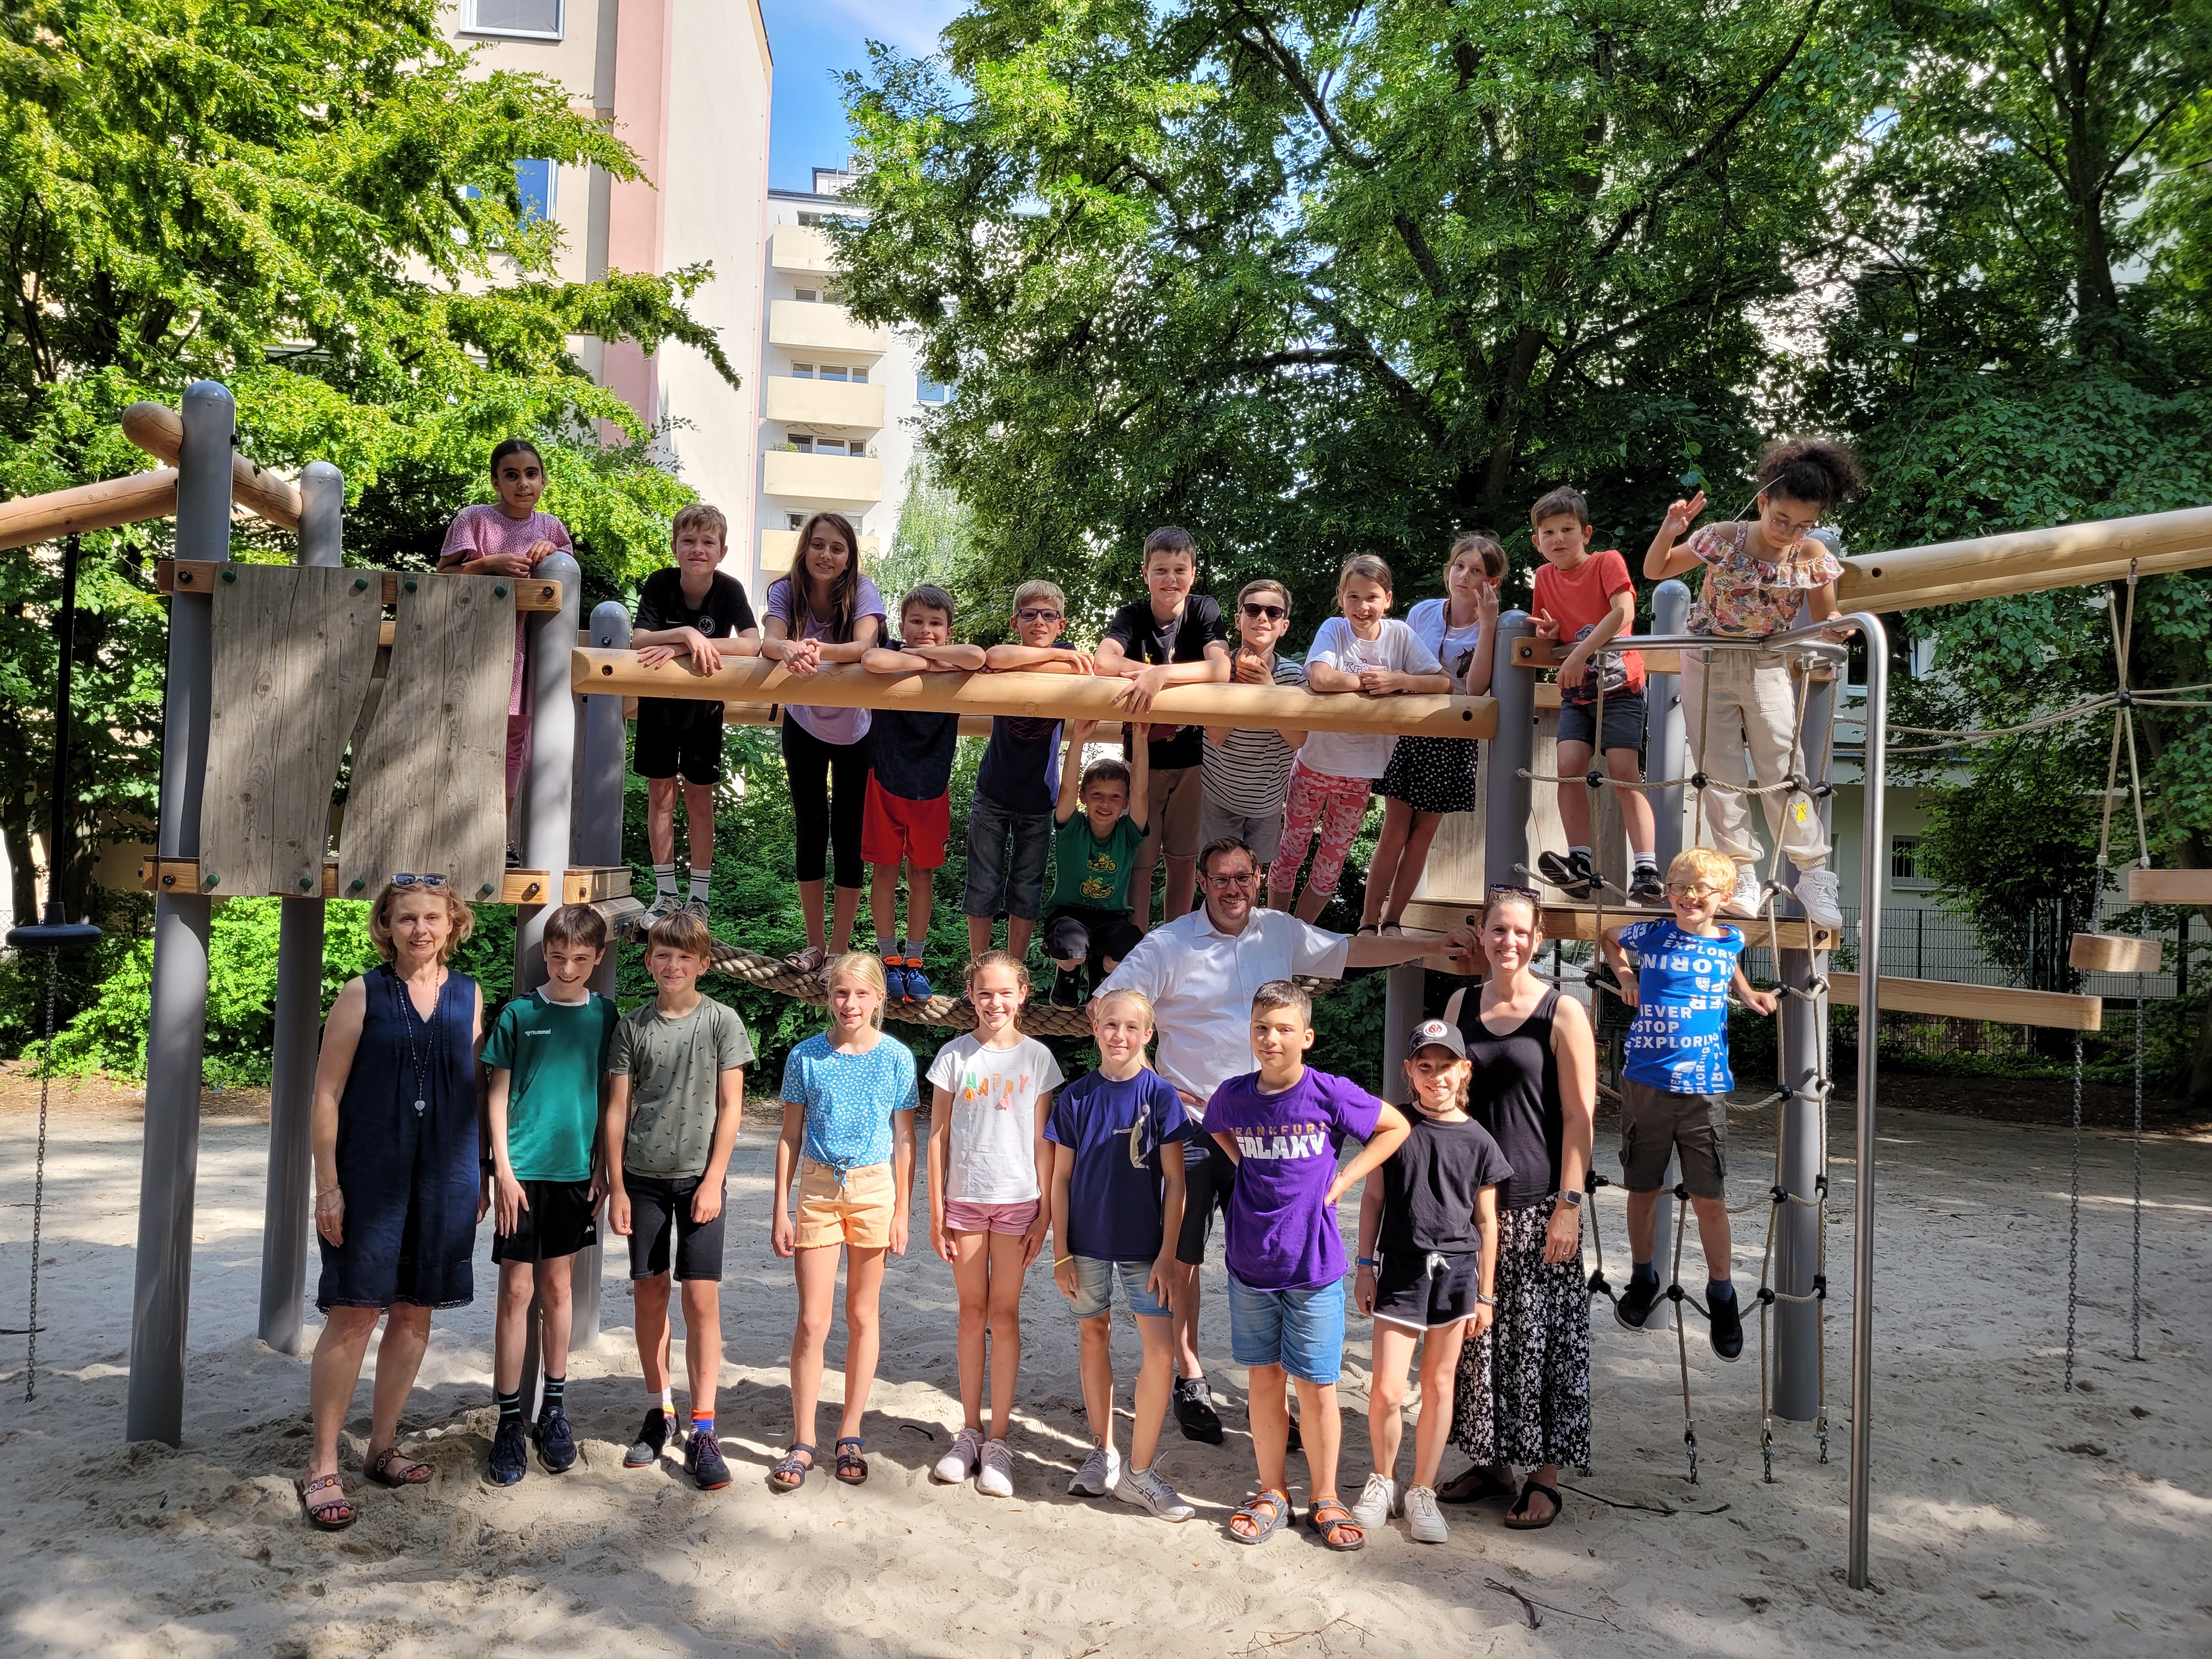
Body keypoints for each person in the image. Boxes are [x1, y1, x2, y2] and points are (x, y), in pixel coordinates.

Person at [1097, 836, 1432, 1446]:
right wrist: (1148, 1084)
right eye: (1220, 878)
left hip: (1268, 1127)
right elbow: (1109, 1005)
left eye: (1242, 877)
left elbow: (1354, 949)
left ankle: (1285, 1392)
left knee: (1277, 1250)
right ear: (1201, 882)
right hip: (1195, 1123)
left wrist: (1435, 946)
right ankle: (1190, 1375)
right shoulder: (1168, 944)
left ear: (1259, 877)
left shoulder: (1280, 930)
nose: (1232, 889)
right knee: (1184, 1256)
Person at [299, 876, 486, 1531]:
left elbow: (471, 1091)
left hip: (445, 1173)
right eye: (406, 919)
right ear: (387, 926)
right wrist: (329, 1183)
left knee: (414, 1315)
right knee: (354, 1314)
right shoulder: (362, 993)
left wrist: (482, 1172)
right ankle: (323, 1463)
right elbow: (325, 1094)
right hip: (369, 1172)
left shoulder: (469, 994)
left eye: (432, 917)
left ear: (453, 924)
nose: (420, 930)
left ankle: (382, 1446)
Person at [1206, 981, 1410, 1550]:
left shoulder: (1327, 1093)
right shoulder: (1233, 1095)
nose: (1271, 1039)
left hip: (1314, 1265)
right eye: (1261, 1029)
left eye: (1283, 1029)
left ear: (1307, 1036)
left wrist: (1345, 1178)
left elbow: (1395, 1127)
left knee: (1318, 1387)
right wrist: (1243, 1162)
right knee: (1264, 1382)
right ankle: (1273, 1492)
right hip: (1250, 1263)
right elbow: (1216, 1127)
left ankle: (1324, 1496)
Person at [1641, 437, 1863, 928]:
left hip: (1766, 663)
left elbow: (1826, 617)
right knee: (1720, 775)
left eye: (1803, 524)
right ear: (1763, 500)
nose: (1789, 533)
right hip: (1708, 660)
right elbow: (1655, 570)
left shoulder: (1810, 553)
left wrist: (1837, 626)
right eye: (1781, 519)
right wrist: (1672, 528)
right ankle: (1741, 873)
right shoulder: (1725, 537)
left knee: (1785, 772)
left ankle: (1813, 872)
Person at [1435, 887, 1598, 1531]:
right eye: (1497, 929)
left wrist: (1570, 1204)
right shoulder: (1459, 1004)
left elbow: (1582, 1117)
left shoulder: (1563, 1012)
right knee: (1481, 1345)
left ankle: (1544, 1478)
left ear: (1538, 937)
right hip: (1474, 1205)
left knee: (1541, 1343)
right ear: (1481, 933)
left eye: (1520, 931)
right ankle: (1494, 1463)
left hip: (1539, 1204)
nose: (1508, 941)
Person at [1599, 847, 1779, 1359]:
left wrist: (1746, 994)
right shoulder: (1653, 934)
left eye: (1702, 889)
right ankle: (1642, 1278)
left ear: (1723, 898)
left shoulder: (1731, 937)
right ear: (1668, 892)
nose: (1690, 896)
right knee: (1642, 1187)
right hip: (1647, 1082)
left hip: (1704, 1087)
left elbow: (1730, 965)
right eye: (1680, 887)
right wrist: (1625, 975)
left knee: (1708, 1197)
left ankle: (1721, 1293)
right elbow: (1609, 935)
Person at [604, 911, 753, 1491]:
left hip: (699, 1179)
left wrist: (716, 1179)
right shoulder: (632, 1026)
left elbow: (732, 1108)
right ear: (649, 960)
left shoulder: (722, 1022)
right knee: (649, 1292)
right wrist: (616, 1185)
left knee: (702, 1301)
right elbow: (617, 1108)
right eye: (663, 955)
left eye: (685, 957)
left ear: (703, 964)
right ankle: (658, 1409)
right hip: (642, 1175)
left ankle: (704, 1425)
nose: (673, 965)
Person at [1349, 1018, 1506, 1544]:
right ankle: (1383, 1481)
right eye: (1425, 1066)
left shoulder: (1481, 1140)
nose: (1435, 1076)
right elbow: (1373, 1199)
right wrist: (1364, 1264)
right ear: (1409, 1071)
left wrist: (1486, 1293)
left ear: (1464, 1070)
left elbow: (1487, 1222)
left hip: (1459, 1275)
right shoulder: (1392, 1127)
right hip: (1399, 1268)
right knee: (1388, 1390)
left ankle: (1422, 1491)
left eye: (1445, 1066)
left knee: (1440, 1385)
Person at [769, 954, 919, 1492]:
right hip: (817, 1188)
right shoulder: (806, 1057)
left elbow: (905, 1138)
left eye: (860, 994)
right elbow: (789, 1135)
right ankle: (804, 1438)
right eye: (840, 994)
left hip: (875, 1188)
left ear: (879, 998)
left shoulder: (898, 1058)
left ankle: (850, 1432)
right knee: (812, 1321)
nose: (849, 1004)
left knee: (862, 1313)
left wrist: (903, 1209)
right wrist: (780, 1207)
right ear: (827, 997)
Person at [482, 902, 619, 1486]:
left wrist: (605, 1168)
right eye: (558, 956)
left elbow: (616, 1097)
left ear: (598, 959)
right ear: (545, 952)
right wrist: (502, 1171)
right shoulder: (518, 1013)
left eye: (580, 959)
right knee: (516, 1291)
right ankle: (509, 1418)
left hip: (574, 1173)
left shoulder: (607, 1018)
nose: (568, 968)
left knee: (559, 1288)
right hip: (522, 1172)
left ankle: (554, 1409)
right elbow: (495, 1094)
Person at [1045, 988, 1194, 1519]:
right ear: (1095, 1029)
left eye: (1132, 1028)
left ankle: (1140, 1471)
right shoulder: (1077, 1097)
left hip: (1144, 1247)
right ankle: (1103, 1451)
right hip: (1085, 1244)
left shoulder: (1160, 1097)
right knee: (1093, 1335)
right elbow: (1060, 1179)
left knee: (1159, 1350)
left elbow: (1176, 1182)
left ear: (1147, 1035)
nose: (1120, 1036)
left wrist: (1169, 1253)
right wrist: (1061, 1251)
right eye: (1111, 1025)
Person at [924, 953, 1063, 1496]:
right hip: (964, 1202)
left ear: (1024, 994)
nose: (995, 1002)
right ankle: (969, 1433)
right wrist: (935, 1211)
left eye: (1005, 993)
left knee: (1004, 1315)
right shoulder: (954, 1057)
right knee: (971, 1312)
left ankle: (999, 1441)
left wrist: (1046, 1213)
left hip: (1017, 1204)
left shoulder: (1037, 1060)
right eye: (985, 993)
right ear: (972, 996)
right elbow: (937, 1136)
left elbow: (1043, 1142)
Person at [1272, 555, 1451, 923]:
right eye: (1353, 597)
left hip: (1361, 773)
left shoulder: (1399, 635)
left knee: (1332, 860)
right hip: (1315, 764)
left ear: (1387, 599)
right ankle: (1274, 925)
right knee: (1292, 848)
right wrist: (1371, 684)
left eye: (1371, 597)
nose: (1362, 606)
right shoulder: (1335, 630)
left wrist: (1400, 681)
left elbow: (1442, 682)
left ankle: (1299, 932)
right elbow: (1321, 677)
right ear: (1341, 598)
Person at [762, 511, 886, 976]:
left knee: (850, 832)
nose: (826, 555)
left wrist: (812, 649)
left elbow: (863, 648)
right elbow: (769, 642)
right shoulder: (784, 589)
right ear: (805, 548)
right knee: (811, 826)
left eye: (837, 548)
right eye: (818, 545)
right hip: (803, 719)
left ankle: (838, 949)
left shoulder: (863, 590)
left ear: (849, 555)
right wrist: (788, 648)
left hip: (857, 726)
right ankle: (814, 945)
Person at [1528, 488, 1663, 907]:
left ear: (1585, 533)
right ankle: (1580, 862)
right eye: (1548, 532)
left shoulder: (1608, 562)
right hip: (1579, 691)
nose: (1558, 539)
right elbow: (1549, 632)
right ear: (1537, 541)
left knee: (1623, 769)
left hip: (1620, 685)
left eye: (1567, 529)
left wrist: (1580, 652)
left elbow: (1622, 612)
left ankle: (1646, 867)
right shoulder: (1545, 576)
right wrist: (1548, 637)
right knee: (1568, 766)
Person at [1093, 527, 1233, 929]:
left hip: (1193, 760)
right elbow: (1103, 662)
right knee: (1141, 858)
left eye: (1179, 570)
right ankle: (1134, 944)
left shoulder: (1204, 610)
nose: (1170, 579)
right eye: (1161, 571)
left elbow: (1221, 668)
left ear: (1192, 573)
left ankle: (1178, 942)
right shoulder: (1132, 615)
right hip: (1142, 761)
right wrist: (1151, 674)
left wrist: (1160, 677)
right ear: (1145, 573)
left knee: (1185, 859)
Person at [1362, 534, 1500, 933]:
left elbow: (1475, 689)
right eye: (1460, 566)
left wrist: (1489, 625)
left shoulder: (1494, 625)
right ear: (1448, 570)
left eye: (1477, 571)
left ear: (1491, 581)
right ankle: (1368, 921)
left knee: (1423, 835)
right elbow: (1397, 662)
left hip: (1455, 736)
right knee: (1394, 829)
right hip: (1411, 729)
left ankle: (1393, 921)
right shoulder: (1422, 612)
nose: (1465, 576)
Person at [631, 503, 760, 926]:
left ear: (721, 551)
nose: (698, 549)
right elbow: (639, 639)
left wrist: (686, 648)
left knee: (700, 800)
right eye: (688, 541)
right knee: (661, 797)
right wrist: (686, 633)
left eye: (708, 542)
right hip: (658, 708)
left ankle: (699, 899)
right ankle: (666, 894)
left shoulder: (729, 589)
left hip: (703, 710)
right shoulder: (659, 583)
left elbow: (751, 644)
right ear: (675, 546)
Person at [438, 438, 572, 832]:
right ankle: (456, 829)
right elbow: (442, 576)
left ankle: (497, 834)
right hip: (477, 650)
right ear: (496, 482)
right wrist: (487, 563)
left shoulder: (551, 527)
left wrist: (554, 554)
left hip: (529, 655)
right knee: (467, 736)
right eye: (511, 476)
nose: (523, 484)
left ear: (544, 481)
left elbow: (567, 578)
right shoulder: (475, 519)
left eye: (531, 474)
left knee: (515, 743)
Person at [861, 584, 986, 1002]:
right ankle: (888, 958)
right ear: (902, 625)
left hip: (931, 789)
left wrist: (930, 659)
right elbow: (872, 658)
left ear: (948, 630)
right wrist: (918, 659)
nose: (926, 630)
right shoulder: (892, 653)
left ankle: (915, 962)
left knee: (922, 874)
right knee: (884, 871)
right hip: (885, 783)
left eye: (935, 624)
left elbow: (977, 658)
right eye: (917, 621)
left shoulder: (952, 662)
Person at [966, 579, 1094, 963]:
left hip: (1039, 797)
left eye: (1049, 615)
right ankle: (980, 969)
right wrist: (1060, 659)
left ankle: (1014, 972)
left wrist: (1065, 659)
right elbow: (995, 657)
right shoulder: (1009, 658)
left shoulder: (1071, 657)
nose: (1039, 622)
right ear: (1015, 622)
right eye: (1030, 615)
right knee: (984, 883)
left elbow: (1083, 669)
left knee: (1026, 887)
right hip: (994, 790)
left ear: (1061, 625)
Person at [1198, 578, 1307, 885]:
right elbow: (1217, 734)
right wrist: (1241, 685)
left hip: (1268, 803)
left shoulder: (1293, 675)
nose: (1262, 618)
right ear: (1239, 620)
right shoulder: (1218, 669)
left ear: (1283, 625)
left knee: (1253, 881)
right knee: (1217, 876)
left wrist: (1268, 689)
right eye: (1253, 609)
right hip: (1218, 796)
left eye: (1273, 612)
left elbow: (1298, 739)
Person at [1041, 720, 1149, 1009]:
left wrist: (1139, 737)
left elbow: (1141, 792)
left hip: (1111, 919)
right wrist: (1078, 739)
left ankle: (1101, 972)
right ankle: (1069, 975)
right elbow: (1065, 789)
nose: (1106, 802)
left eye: (1115, 796)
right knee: (1070, 948)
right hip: (1069, 915)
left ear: (1125, 802)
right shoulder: (1072, 828)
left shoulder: (1128, 833)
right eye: (1097, 794)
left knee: (1133, 946)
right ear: (1084, 798)